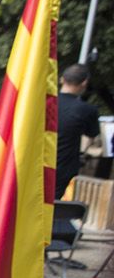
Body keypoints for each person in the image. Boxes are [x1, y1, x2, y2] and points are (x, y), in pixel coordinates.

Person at [56, 64, 102, 200]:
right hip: (62, 167)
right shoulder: (87, 110)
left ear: (62, 79)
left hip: (33, 163)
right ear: (84, 83)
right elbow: (91, 137)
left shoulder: (43, 102)